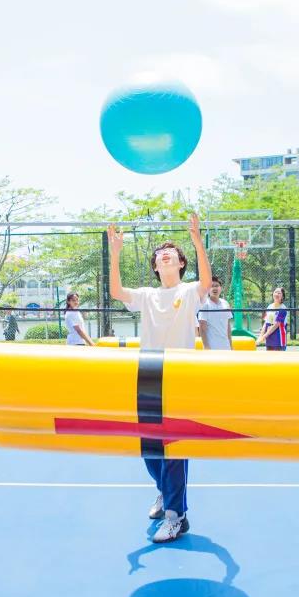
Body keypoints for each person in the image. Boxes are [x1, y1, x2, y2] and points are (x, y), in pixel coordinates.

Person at [108, 215, 210, 543]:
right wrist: (115, 253)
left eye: (172, 252)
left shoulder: (190, 291)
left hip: (180, 378)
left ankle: (176, 516)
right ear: (155, 265)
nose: (165, 253)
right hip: (149, 377)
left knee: (175, 449)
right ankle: (165, 493)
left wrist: (197, 241)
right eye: (160, 253)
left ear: (181, 263)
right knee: (149, 448)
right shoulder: (147, 295)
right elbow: (116, 291)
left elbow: (206, 282)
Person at [198, 275, 233, 350]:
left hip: (226, 346)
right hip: (212, 347)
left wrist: (231, 345)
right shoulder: (205, 304)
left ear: (221, 288)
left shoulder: (225, 303)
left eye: (216, 286)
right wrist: (206, 347)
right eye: (212, 286)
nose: (214, 288)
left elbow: (228, 326)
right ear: (208, 289)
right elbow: (202, 328)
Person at [255, 287, 288, 351]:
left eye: (279, 293)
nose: (276, 294)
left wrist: (264, 336)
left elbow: (276, 324)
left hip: (279, 337)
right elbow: (266, 322)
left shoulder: (283, 308)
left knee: (279, 356)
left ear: (282, 296)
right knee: (269, 355)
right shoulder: (269, 306)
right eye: (275, 292)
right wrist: (260, 336)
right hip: (269, 336)